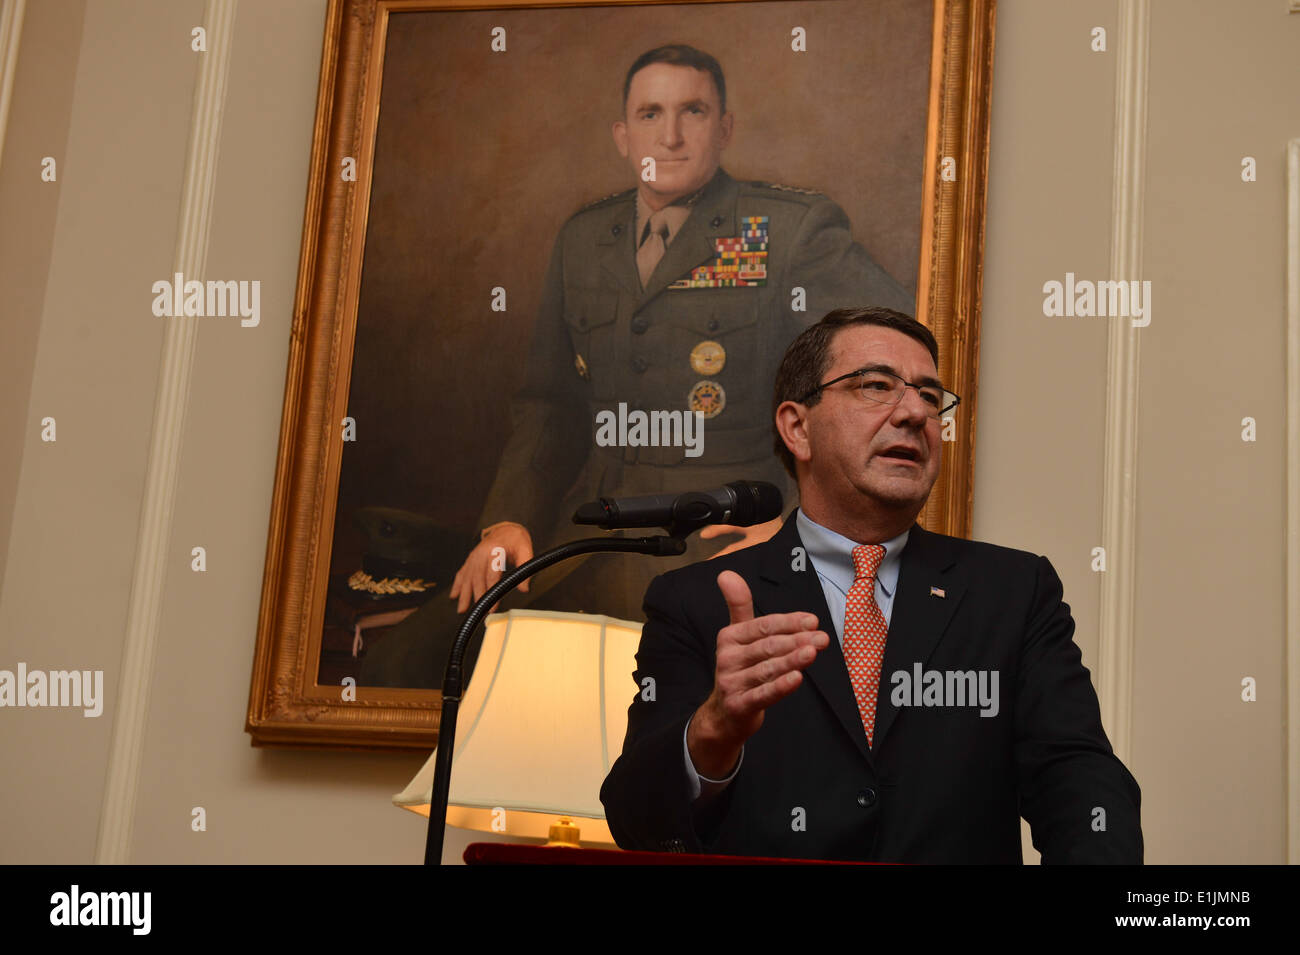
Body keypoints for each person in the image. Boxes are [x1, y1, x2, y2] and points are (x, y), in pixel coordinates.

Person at [361, 44, 911, 689]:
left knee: (654, 707)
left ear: (725, 128)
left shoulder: (786, 229)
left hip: (725, 540)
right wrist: (506, 519)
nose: (671, 135)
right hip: (589, 532)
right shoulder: (584, 240)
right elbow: (548, 401)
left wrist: (798, 523)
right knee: (408, 666)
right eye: (651, 114)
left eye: (693, 111)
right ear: (624, 136)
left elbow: (886, 374)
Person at [599, 306, 1143, 863]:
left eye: (930, 397)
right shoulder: (696, 600)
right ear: (797, 427)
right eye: (877, 386)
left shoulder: (1014, 590)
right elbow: (636, 821)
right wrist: (713, 729)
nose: (914, 412)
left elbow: (1079, 780)